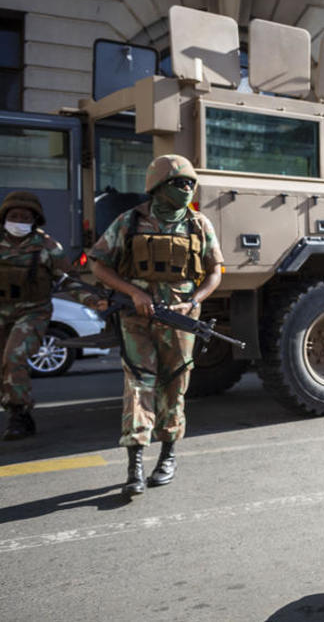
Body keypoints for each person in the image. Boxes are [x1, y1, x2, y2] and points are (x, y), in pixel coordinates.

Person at [89, 155, 223, 497]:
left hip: (180, 319)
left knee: (175, 385)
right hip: (136, 318)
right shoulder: (129, 222)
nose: (187, 188)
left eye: (191, 183)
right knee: (138, 382)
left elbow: (215, 272)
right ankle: (135, 462)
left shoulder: (198, 224)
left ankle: (167, 455)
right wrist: (133, 292)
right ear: (159, 186)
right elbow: (98, 263)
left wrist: (194, 301)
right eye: (181, 183)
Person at [0, 191, 105, 440]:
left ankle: (19, 415)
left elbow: (69, 281)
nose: (19, 220)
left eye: (25, 216)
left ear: (35, 220)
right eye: (14, 215)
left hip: (32, 312)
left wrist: (91, 300)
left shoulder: (47, 247)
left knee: (14, 358)